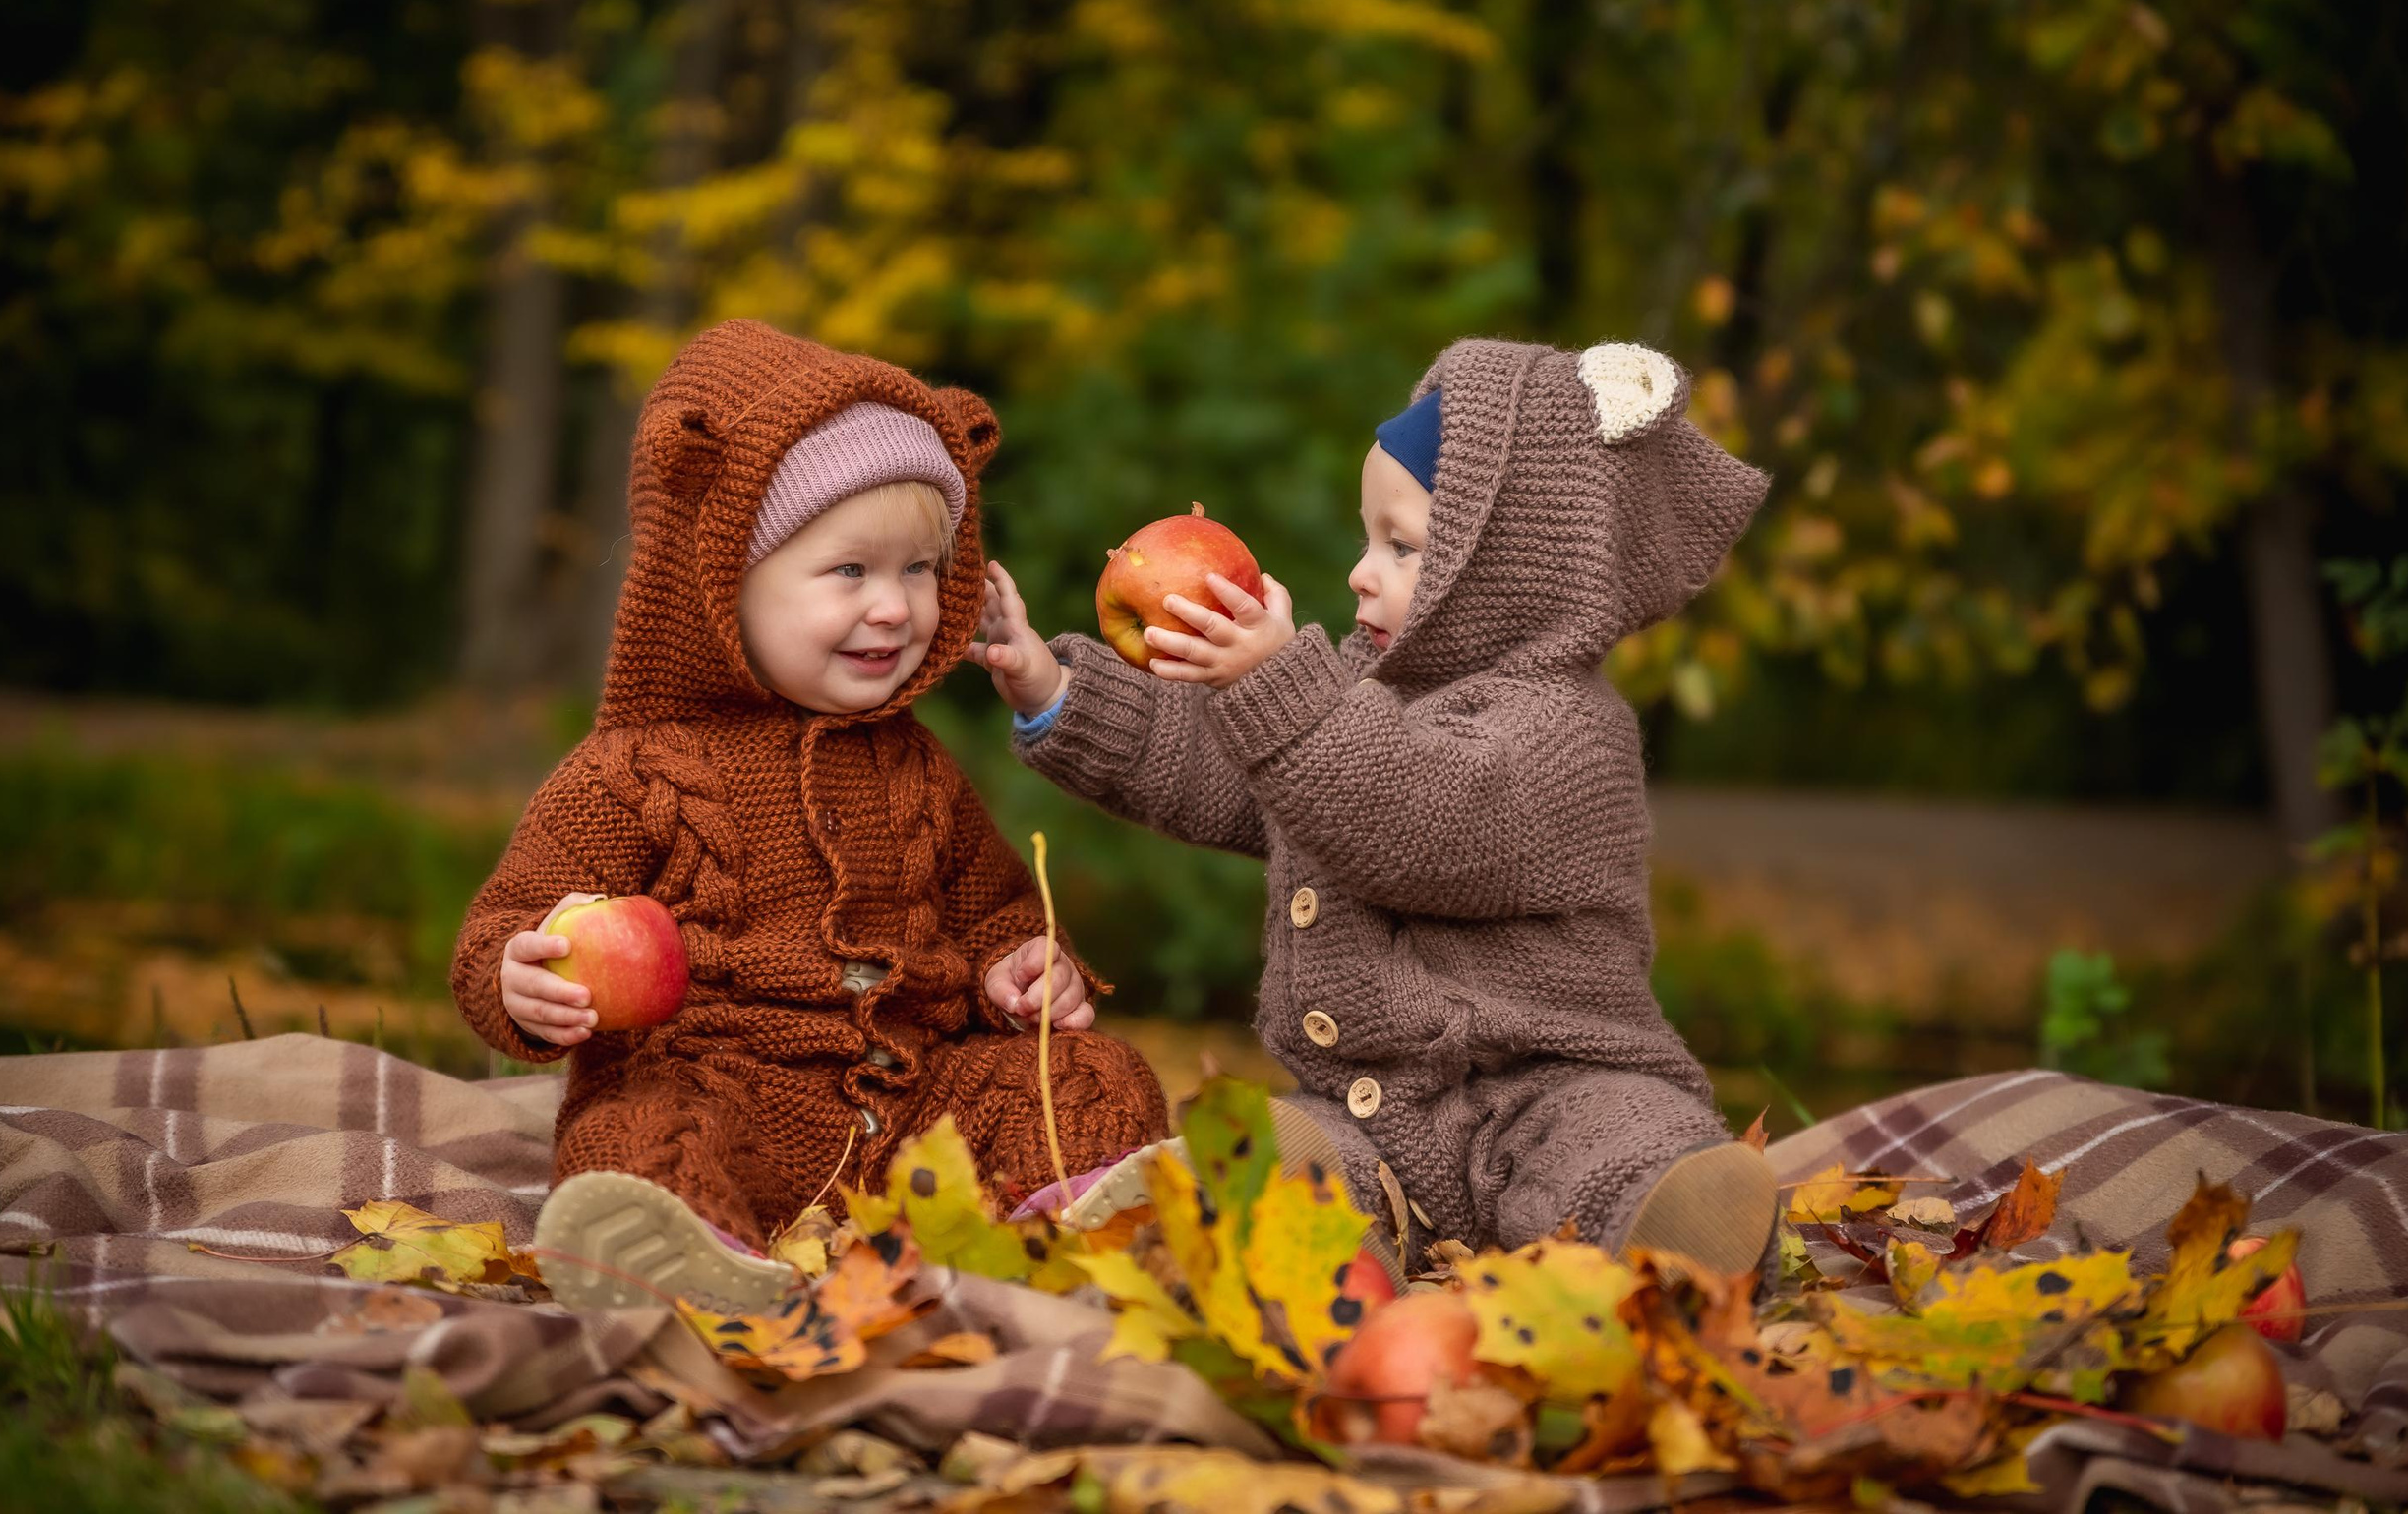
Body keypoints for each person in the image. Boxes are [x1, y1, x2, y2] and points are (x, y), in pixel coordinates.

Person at [970, 338, 1779, 1275]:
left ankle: (1670, 1231)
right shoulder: (1351, 693)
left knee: (1621, 1149)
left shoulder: (1566, 733)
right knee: (1277, 1158)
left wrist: (1278, 685)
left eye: (1401, 545)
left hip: (1552, 1085)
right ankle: (1284, 1249)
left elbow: (1418, 819)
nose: (1360, 571)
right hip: (1369, 1106)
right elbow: (1224, 764)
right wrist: (1055, 689)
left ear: (1507, 571)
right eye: (1367, 537)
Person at [451, 320, 1168, 1312]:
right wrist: (517, 980)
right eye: (849, 573)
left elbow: (994, 912)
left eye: (919, 570)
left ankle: (1078, 1231)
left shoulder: (917, 767)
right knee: (634, 1134)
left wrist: (1021, 970)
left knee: (1094, 1076)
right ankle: (683, 1260)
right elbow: (502, 926)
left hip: (914, 1117)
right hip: (721, 1095)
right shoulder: (633, 771)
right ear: (720, 587)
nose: (894, 609)